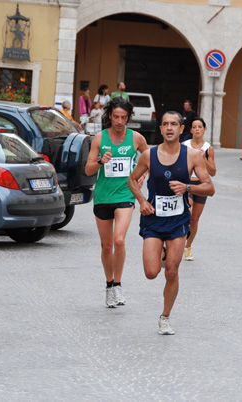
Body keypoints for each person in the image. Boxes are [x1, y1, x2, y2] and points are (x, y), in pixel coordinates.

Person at [128, 111, 215, 335]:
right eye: (165, 124)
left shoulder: (193, 155)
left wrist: (188, 188)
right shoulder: (148, 155)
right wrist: (142, 200)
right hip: (153, 220)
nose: (169, 128)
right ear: (160, 129)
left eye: (174, 124)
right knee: (151, 272)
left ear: (181, 129)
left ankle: (165, 317)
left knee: (172, 272)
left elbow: (210, 187)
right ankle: (162, 251)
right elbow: (132, 180)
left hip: (178, 221)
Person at [85, 96, 149, 308]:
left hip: (125, 195)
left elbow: (149, 159)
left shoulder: (137, 138)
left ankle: (118, 284)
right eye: (115, 117)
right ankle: (109, 285)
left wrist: (143, 175)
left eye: (123, 117)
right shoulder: (99, 139)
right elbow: (87, 170)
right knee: (106, 246)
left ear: (128, 117)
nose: (119, 121)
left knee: (119, 240)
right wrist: (100, 161)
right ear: (109, 116)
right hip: (103, 196)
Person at [181, 117, 216, 261]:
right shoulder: (184, 145)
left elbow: (213, 172)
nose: (197, 129)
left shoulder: (208, 148)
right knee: (187, 214)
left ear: (204, 129)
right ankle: (176, 243)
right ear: (190, 130)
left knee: (194, 220)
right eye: (194, 127)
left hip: (201, 185)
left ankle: (187, 247)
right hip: (187, 183)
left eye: (199, 127)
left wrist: (204, 158)